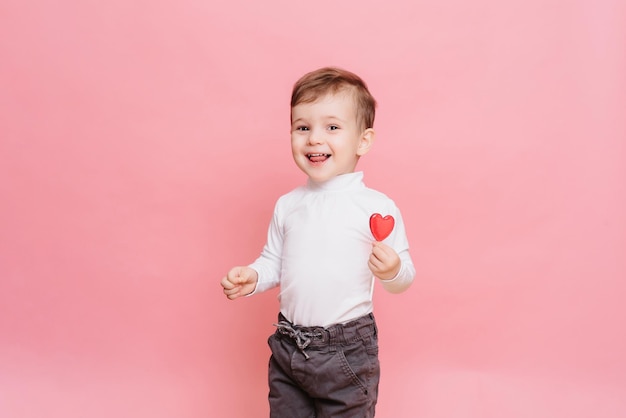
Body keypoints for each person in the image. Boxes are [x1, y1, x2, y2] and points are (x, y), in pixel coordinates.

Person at [220, 67, 415, 418]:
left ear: (363, 141)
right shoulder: (288, 204)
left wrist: (393, 270)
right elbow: (273, 260)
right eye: (303, 127)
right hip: (287, 346)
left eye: (333, 127)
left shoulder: (375, 207)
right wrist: (253, 276)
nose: (314, 139)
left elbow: (404, 279)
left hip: (346, 352)